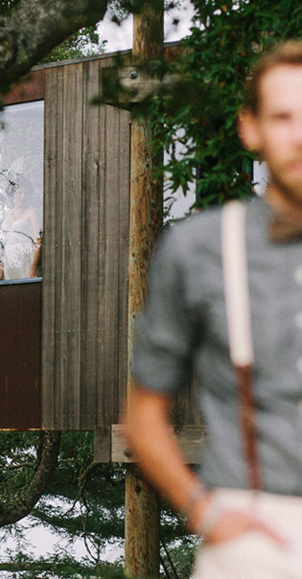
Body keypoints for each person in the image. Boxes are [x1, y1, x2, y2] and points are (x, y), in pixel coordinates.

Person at [124, 40, 302, 579]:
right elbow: (142, 415)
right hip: (254, 537)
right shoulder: (201, 249)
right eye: (283, 116)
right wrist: (203, 509)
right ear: (251, 128)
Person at [0, 178, 41, 280]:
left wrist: (33, 266)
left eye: (26, 193)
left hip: (25, 255)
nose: (23, 196)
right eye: (20, 192)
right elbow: (5, 245)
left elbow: (38, 240)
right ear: (14, 193)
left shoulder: (31, 212)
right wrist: (0, 272)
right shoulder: (6, 214)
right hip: (10, 258)